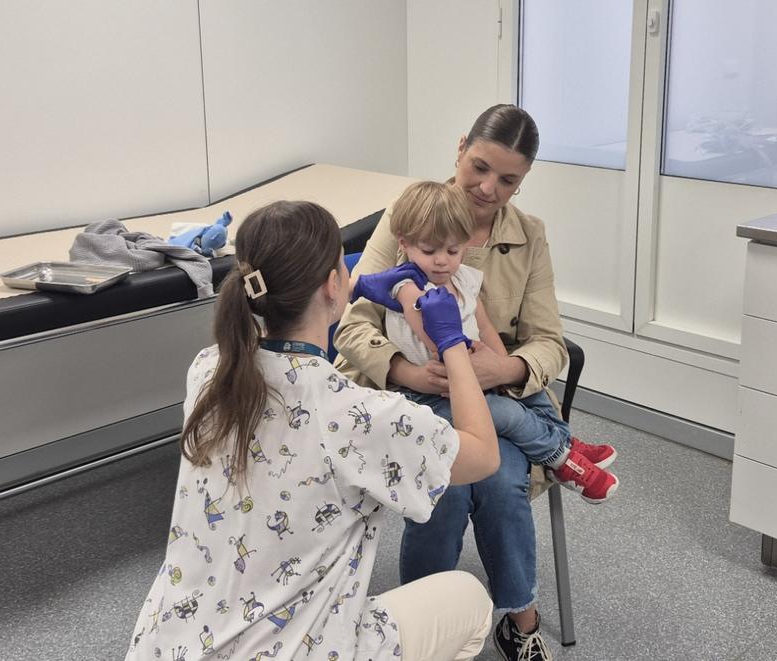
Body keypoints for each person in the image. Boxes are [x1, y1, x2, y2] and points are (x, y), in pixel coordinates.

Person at [125, 200, 502, 661]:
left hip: (170, 646)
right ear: (331, 283)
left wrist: (353, 287)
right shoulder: (360, 416)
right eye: (343, 268)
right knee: (470, 599)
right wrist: (452, 343)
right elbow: (484, 454)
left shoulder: (210, 370)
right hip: (299, 650)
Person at [335, 104, 611, 660]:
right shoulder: (411, 211)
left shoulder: (529, 235)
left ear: (523, 180)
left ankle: (520, 621)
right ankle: (422, 631)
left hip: (493, 398)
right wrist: (411, 371)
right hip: (409, 397)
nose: (488, 189)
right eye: (480, 167)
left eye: (507, 180)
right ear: (461, 148)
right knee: (448, 483)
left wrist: (500, 369)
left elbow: (550, 342)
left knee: (500, 480)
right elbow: (351, 324)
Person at [382, 179, 618, 503]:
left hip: (473, 375)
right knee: (508, 414)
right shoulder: (408, 286)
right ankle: (561, 459)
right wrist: (476, 372)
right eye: (429, 251)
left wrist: (500, 368)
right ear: (404, 243)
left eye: (452, 250)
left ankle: (564, 441)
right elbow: (438, 342)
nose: (442, 261)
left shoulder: (462, 278)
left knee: (533, 394)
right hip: (435, 394)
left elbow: (485, 325)